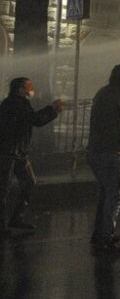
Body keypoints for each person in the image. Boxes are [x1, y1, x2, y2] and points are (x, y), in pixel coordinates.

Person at [87, 64, 120, 256]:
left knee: (106, 194)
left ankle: (100, 233)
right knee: (115, 195)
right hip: (108, 153)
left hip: (97, 150)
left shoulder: (104, 93)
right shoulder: (119, 97)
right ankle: (105, 239)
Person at [0, 77, 64, 237]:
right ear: (21, 89)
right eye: (29, 86)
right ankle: (8, 222)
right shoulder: (16, 103)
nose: (32, 88)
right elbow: (35, 120)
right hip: (9, 153)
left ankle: (16, 218)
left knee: (28, 182)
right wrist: (52, 109)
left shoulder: (16, 103)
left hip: (17, 152)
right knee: (4, 189)